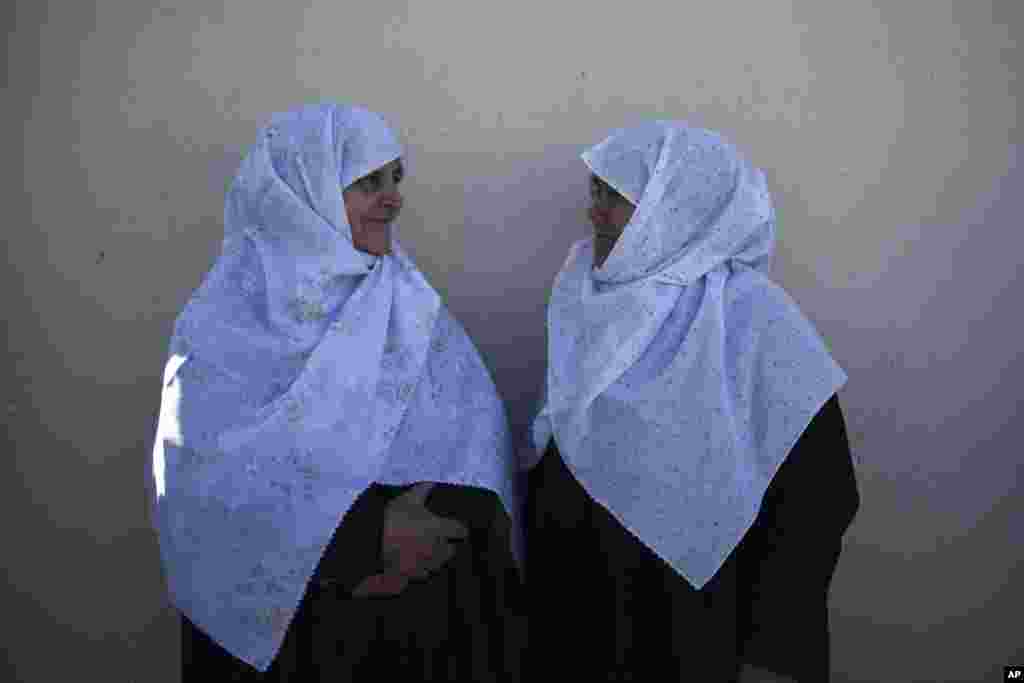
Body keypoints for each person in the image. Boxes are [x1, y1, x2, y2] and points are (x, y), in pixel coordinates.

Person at [148, 103, 524, 680]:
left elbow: (477, 443)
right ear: (302, 194)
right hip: (297, 637)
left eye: (396, 178)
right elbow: (197, 489)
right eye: (369, 182)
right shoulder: (221, 328)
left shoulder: (409, 305)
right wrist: (366, 541)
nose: (394, 199)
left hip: (411, 632)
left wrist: (436, 527)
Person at [526, 121, 860, 682]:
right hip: (581, 623)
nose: (595, 212)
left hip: (697, 632)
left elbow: (820, 491)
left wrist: (767, 651)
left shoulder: (752, 318)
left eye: (616, 197)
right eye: (596, 193)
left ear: (676, 208)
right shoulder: (584, 302)